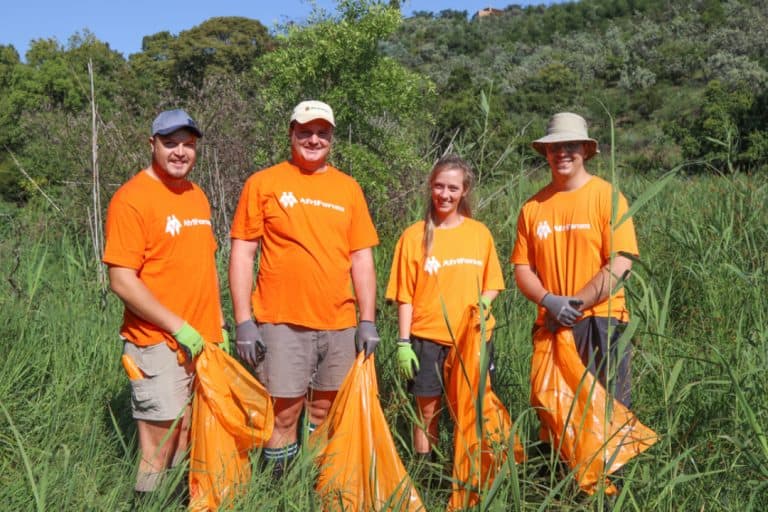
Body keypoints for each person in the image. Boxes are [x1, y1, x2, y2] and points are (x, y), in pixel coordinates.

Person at [229, 100, 380, 477]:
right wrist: (244, 320)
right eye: (305, 132)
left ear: (332, 138)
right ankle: (279, 491)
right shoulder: (263, 183)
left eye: (322, 133)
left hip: (339, 323)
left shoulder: (349, 189)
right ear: (291, 134)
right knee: (283, 413)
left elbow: (362, 259)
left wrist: (367, 320)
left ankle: (317, 486)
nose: (314, 139)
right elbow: (243, 254)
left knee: (325, 412)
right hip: (281, 321)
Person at [103, 109, 229, 499]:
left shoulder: (197, 196)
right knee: (158, 447)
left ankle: (176, 503)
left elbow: (203, 269)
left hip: (201, 342)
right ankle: (144, 504)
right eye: (170, 143)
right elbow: (122, 280)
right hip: (157, 344)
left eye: (188, 145)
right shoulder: (132, 199)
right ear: (152, 144)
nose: (180, 152)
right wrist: (178, 327)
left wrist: (218, 325)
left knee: (188, 437)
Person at [511, 112, 638, 408]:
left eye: (570, 145)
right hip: (553, 323)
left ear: (585, 150)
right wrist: (549, 301)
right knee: (558, 413)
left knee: (609, 414)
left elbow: (621, 265)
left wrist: (575, 304)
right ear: (546, 152)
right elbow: (522, 268)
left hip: (601, 320)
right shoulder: (533, 207)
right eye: (555, 147)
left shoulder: (608, 196)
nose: (562, 153)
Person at [385, 154, 505, 460]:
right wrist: (402, 343)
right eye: (439, 186)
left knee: (470, 411)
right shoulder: (413, 236)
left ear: (464, 190)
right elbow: (405, 295)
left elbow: (493, 283)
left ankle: (469, 472)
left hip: (471, 339)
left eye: (452, 188)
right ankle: (425, 475)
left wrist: (484, 302)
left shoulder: (480, 234)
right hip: (426, 339)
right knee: (427, 412)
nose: (444, 194)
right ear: (430, 187)